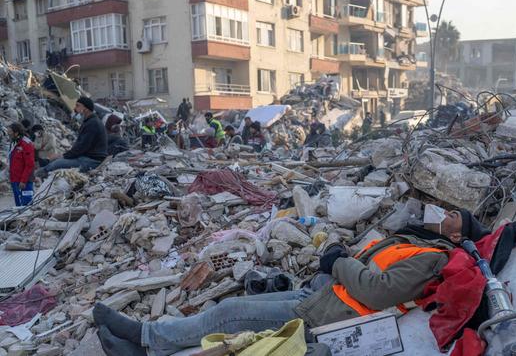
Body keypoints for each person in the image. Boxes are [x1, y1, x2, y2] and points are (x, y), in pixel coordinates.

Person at [92, 214, 465, 356]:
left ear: (459, 232)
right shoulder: (413, 242)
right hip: (323, 293)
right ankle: (150, 342)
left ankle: (144, 339)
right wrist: (338, 256)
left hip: (332, 314)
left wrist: (339, 261)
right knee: (234, 311)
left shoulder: (433, 257)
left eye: (453, 216)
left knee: (229, 312)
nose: (443, 215)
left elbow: (379, 291)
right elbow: (365, 267)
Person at [36, 97, 108, 177]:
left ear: (86, 108)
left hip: (91, 161)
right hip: (86, 157)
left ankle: (36, 176)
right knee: (56, 160)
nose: (75, 108)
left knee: (57, 164)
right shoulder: (90, 121)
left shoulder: (92, 124)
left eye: (78, 106)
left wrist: (63, 156)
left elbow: (82, 147)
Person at [7, 123, 35, 206]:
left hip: (25, 181)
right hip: (15, 179)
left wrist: (23, 181)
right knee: (18, 205)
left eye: (10, 132)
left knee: (26, 205)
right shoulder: (13, 143)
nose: (8, 134)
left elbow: (30, 165)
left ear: (16, 133)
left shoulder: (26, 144)